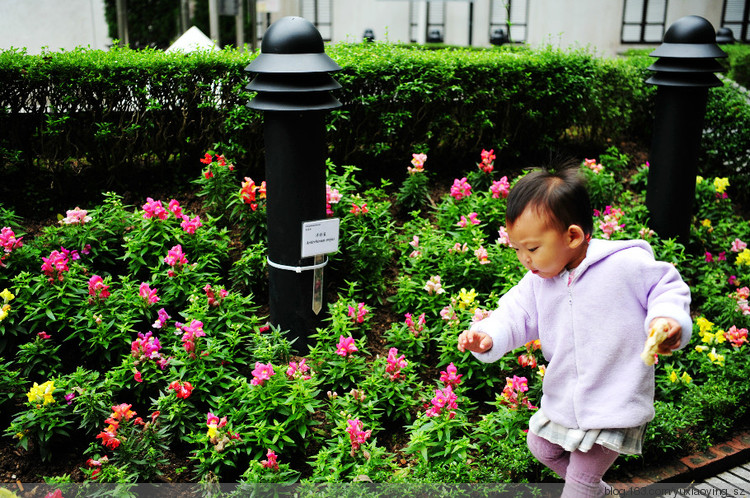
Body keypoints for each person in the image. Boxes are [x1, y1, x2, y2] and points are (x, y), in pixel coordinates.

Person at [457, 165, 692, 497]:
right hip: (566, 399)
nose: (525, 259)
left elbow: (666, 288)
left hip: (614, 398)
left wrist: (667, 320)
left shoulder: (623, 265)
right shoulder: (539, 281)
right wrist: (488, 336)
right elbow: (514, 315)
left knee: (579, 481)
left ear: (572, 236)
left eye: (533, 248)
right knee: (541, 445)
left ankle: (585, 489)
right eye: (518, 250)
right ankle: (598, 493)